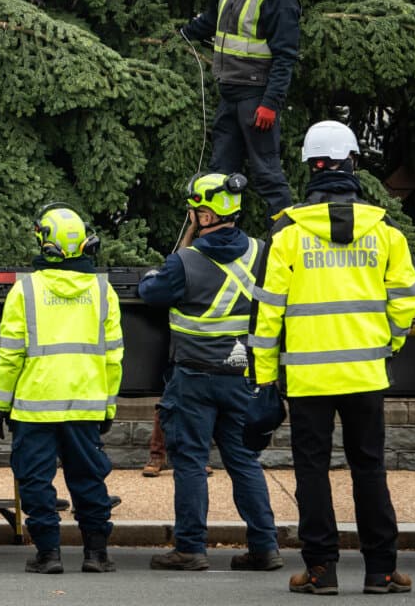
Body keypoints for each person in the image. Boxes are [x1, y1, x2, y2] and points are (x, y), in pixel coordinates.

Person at [250, 121, 415, 595]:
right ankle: (381, 571)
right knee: (370, 468)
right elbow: (407, 300)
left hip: (308, 378)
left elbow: (267, 315)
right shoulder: (384, 231)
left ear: (310, 168)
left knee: (312, 471)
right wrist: (388, 344)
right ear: (352, 165)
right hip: (366, 373)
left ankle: (321, 571)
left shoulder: (287, 233)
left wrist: (265, 379)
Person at [139, 173, 281, 572]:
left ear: (204, 214)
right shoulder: (261, 252)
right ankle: (265, 546)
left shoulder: (185, 260)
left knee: (188, 462)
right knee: (244, 461)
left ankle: (190, 548)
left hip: (194, 379)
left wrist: (179, 249)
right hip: (243, 376)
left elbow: (151, 292)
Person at [0, 204, 122, 575]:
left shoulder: (25, 289)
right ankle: (96, 554)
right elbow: (114, 356)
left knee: (35, 480)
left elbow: (10, 355)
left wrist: (2, 404)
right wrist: (108, 406)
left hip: (34, 406)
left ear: (44, 243)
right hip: (86, 406)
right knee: (89, 479)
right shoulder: (102, 290)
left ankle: (48, 554)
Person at [178, 0, 300, 223]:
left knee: (267, 175)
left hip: (256, 100)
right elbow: (209, 20)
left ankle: (286, 239)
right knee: (219, 175)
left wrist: (270, 104)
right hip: (229, 95)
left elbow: (285, 58)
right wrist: (179, 36)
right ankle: (219, 242)